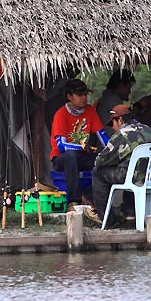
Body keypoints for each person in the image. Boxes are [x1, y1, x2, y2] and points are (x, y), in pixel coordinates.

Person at [92, 104, 151, 227]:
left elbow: (100, 161)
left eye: (113, 124)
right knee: (130, 167)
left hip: (133, 177)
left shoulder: (122, 134)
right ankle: (130, 212)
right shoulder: (147, 129)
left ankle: (105, 218)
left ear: (120, 120)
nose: (113, 128)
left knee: (97, 172)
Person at [50, 78, 108, 206]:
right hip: (61, 158)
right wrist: (81, 147)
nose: (84, 97)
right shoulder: (61, 114)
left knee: (103, 161)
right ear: (69, 96)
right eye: (80, 95)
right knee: (71, 156)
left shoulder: (90, 110)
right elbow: (61, 146)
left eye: (86, 94)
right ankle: (73, 201)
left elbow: (102, 135)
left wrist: (111, 151)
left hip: (82, 155)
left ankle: (89, 197)